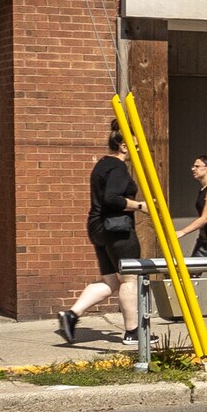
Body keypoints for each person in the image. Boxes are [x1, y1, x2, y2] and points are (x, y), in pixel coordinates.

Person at [59, 123, 146, 344]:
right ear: (124, 146)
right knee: (130, 279)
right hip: (117, 229)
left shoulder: (101, 165)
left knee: (110, 282)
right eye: (136, 147)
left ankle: (71, 315)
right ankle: (133, 332)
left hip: (98, 228)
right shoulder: (117, 167)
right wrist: (139, 206)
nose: (138, 151)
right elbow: (111, 198)